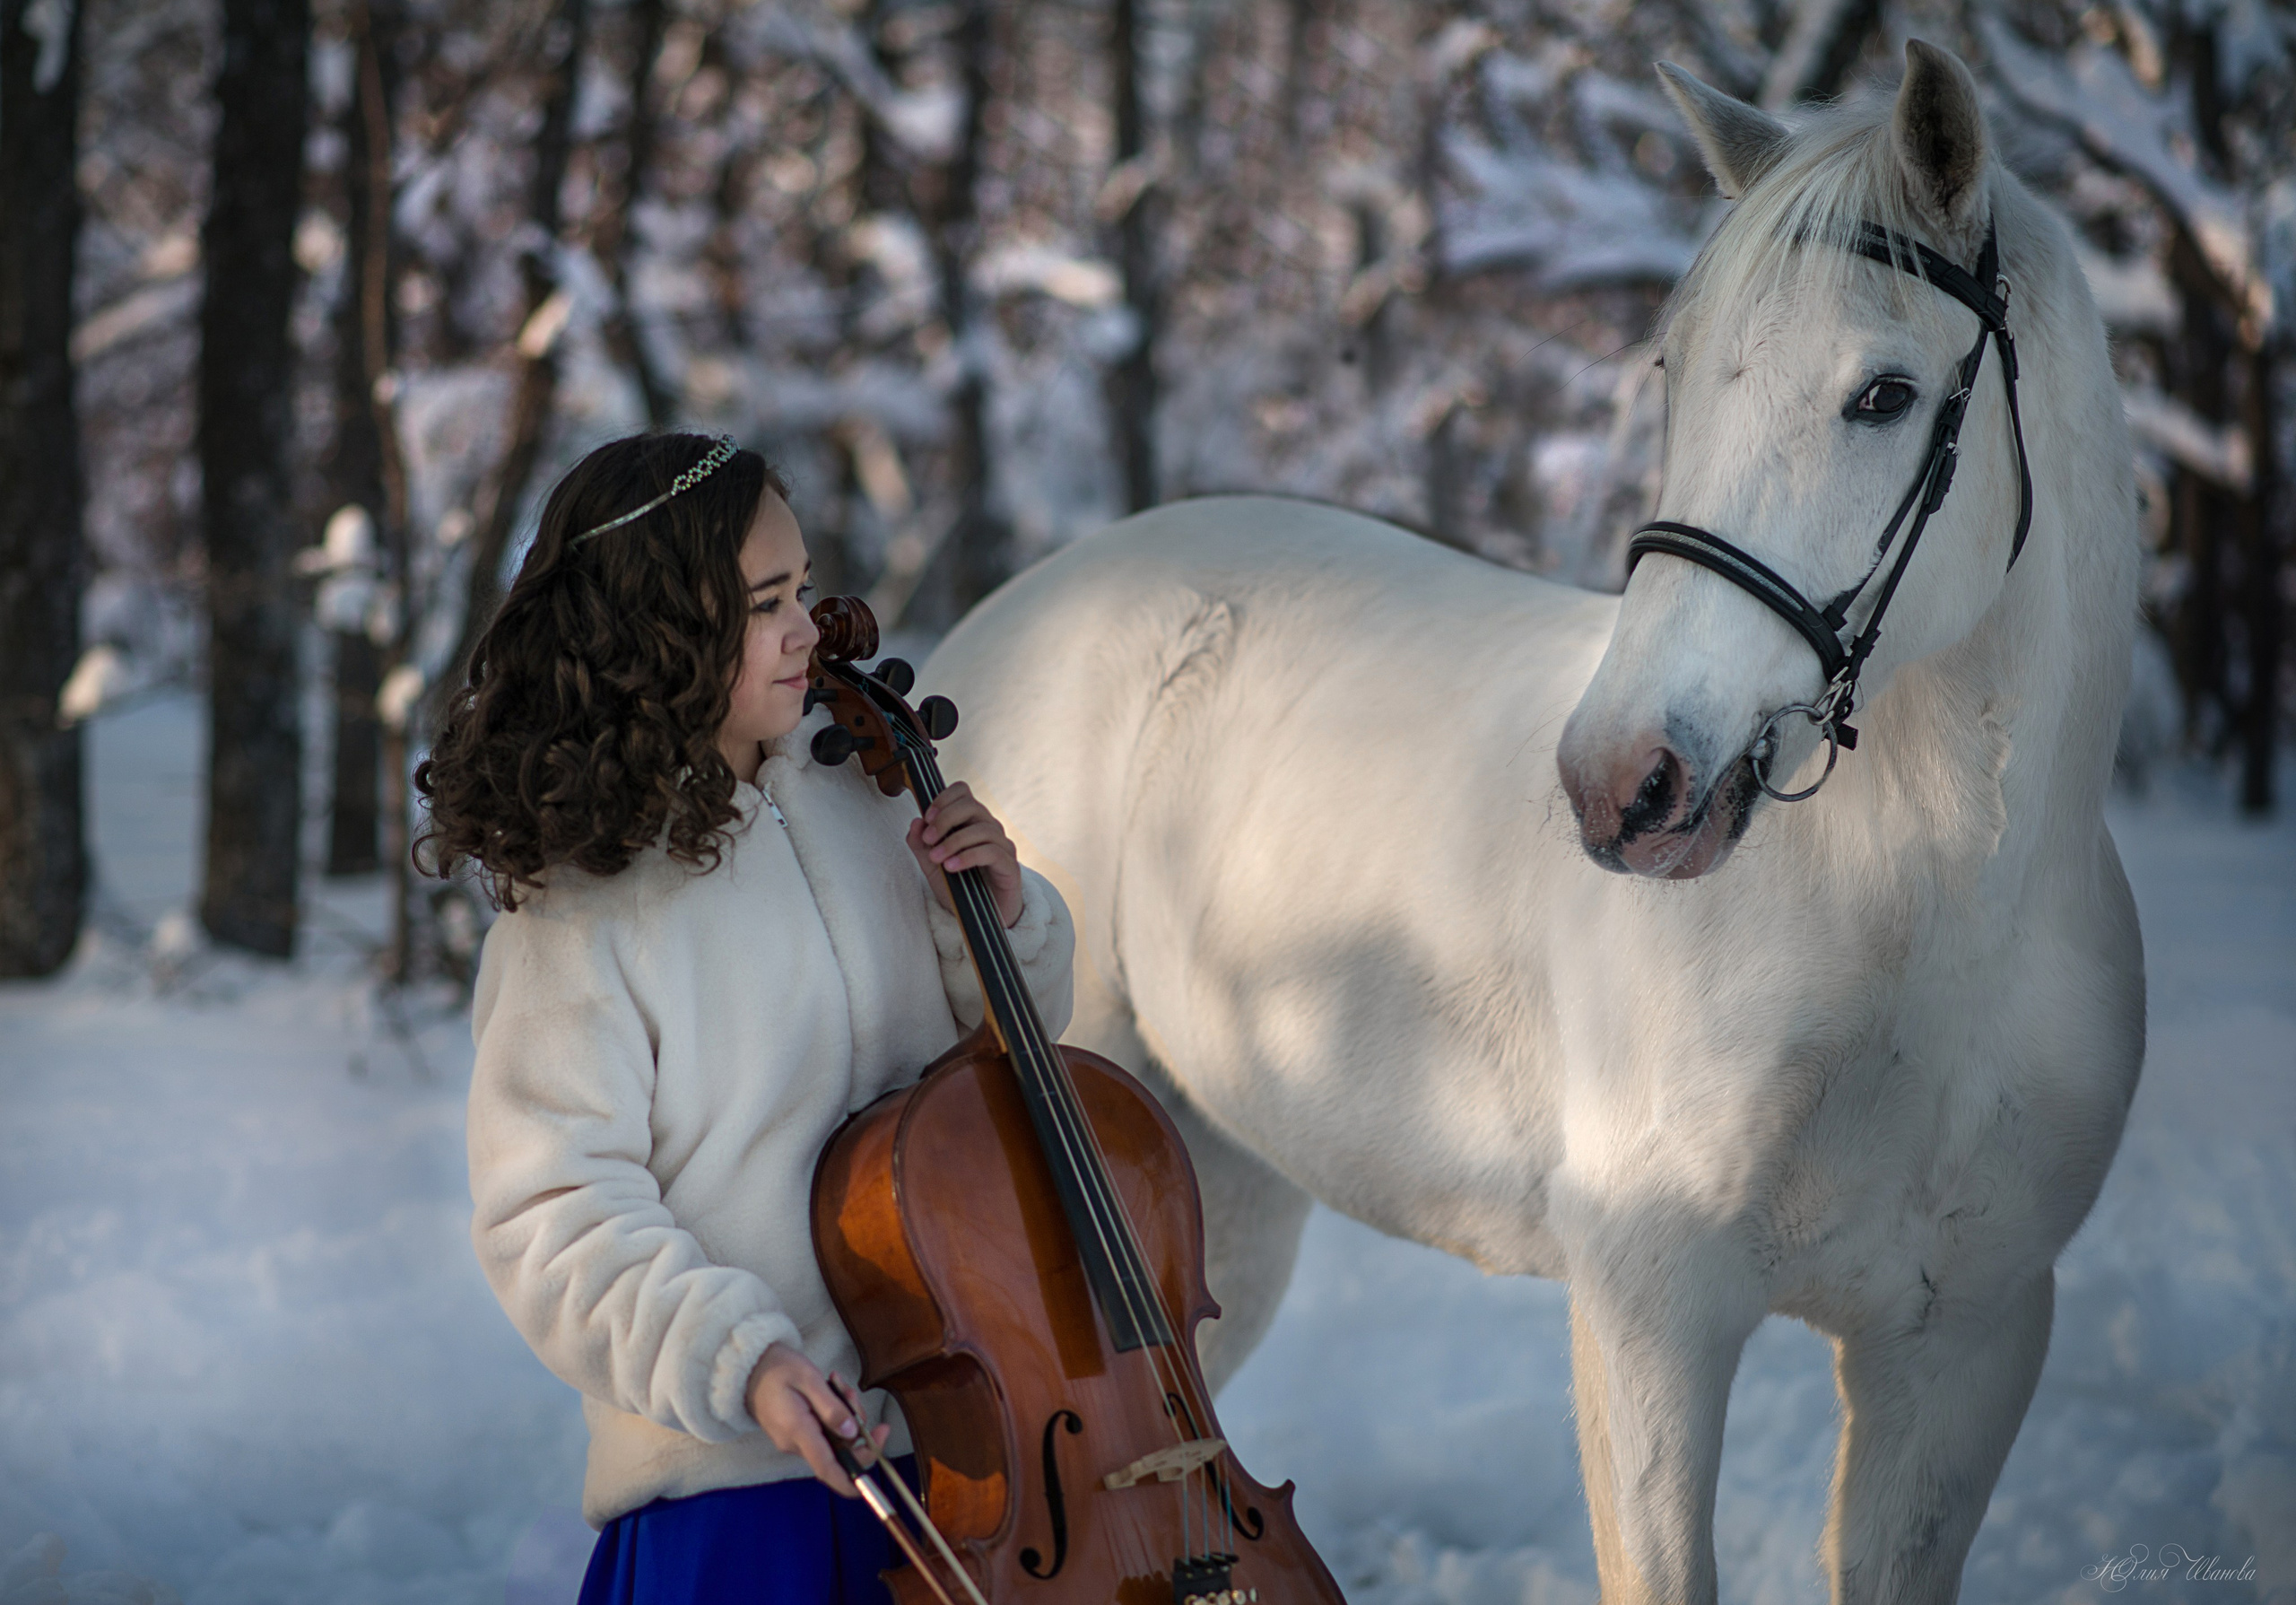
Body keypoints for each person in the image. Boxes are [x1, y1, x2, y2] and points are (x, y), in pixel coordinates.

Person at [415, 432, 1075, 1603]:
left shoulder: (864, 797)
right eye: (763, 602)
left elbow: (977, 1088)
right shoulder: (581, 905)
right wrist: (742, 1358)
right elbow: (552, 1215)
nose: (808, 632)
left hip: (956, 1455)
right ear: (658, 629)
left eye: (806, 586)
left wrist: (998, 921)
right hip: (737, 1492)